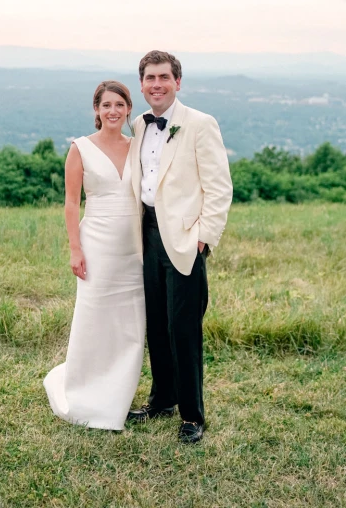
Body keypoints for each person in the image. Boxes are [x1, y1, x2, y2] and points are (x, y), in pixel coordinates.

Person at [127, 50, 233, 443]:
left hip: (186, 239)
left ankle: (192, 415)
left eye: (164, 78)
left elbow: (219, 186)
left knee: (183, 328)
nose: (156, 84)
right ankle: (162, 400)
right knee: (156, 323)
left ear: (177, 82)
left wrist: (204, 237)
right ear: (141, 84)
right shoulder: (138, 124)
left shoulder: (200, 124)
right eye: (150, 78)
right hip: (147, 235)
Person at [44, 80, 146, 430]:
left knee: (130, 323)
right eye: (106, 105)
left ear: (129, 108)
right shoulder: (81, 148)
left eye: (120, 104)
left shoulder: (139, 146)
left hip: (133, 248)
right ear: (97, 111)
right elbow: (72, 202)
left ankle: (119, 392)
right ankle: (86, 391)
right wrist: (76, 249)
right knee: (95, 316)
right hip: (97, 244)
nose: (113, 111)